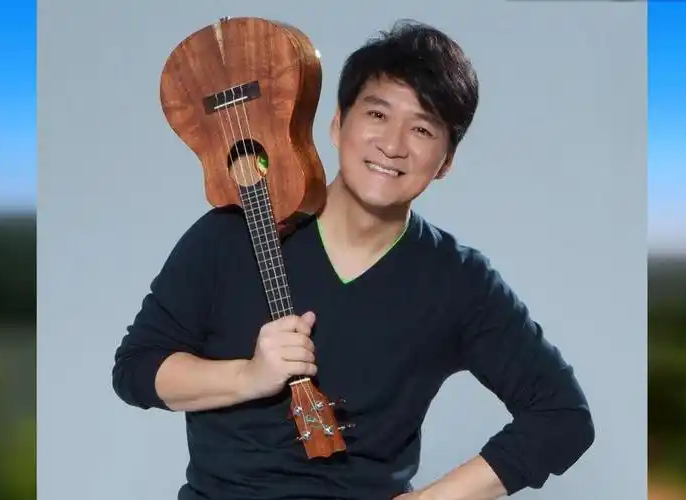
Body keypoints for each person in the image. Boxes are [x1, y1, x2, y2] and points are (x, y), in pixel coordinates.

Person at [112, 19, 595, 500]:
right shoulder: (231, 234)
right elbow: (136, 370)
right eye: (378, 115)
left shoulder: (459, 281)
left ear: (446, 161)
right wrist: (248, 376)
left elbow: (561, 416)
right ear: (338, 123)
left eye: (422, 128)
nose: (393, 145)